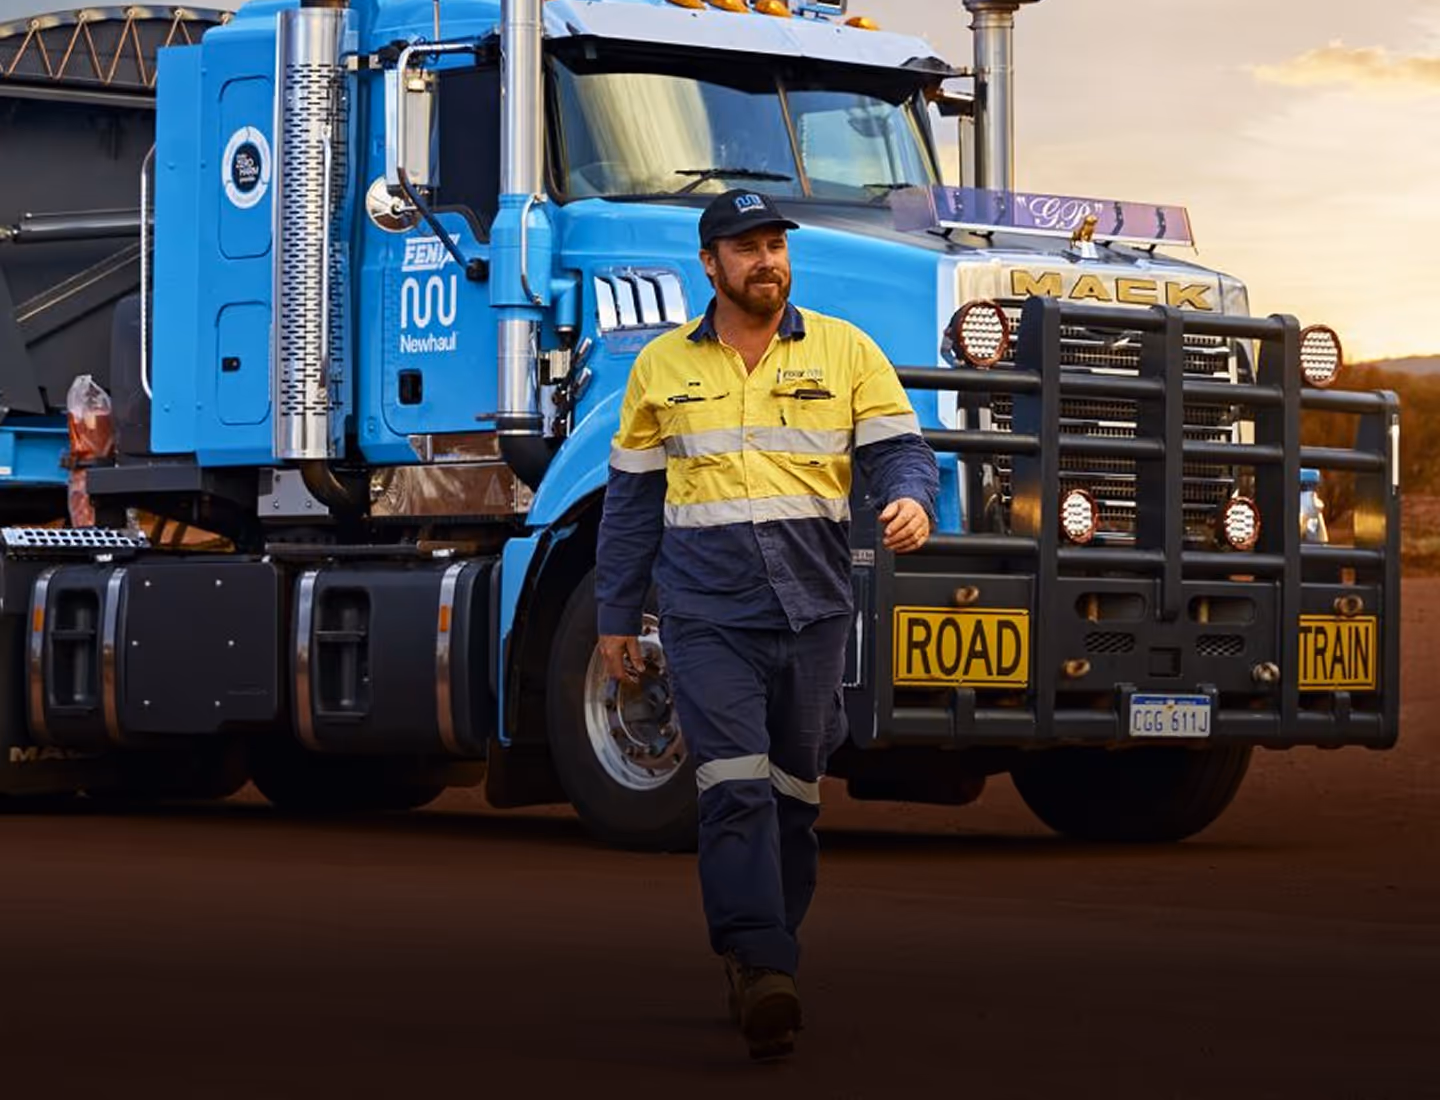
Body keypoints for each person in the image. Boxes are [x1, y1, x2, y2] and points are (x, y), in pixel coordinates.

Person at [593, 189, 939, 1061]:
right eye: (745, 248)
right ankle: (763, 957)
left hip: (815, 610)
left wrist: (908, 497)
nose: (766, 262)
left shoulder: (845, 348)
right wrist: (614, 617)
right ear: (709, 265)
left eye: (775, 245)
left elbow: (901, 447)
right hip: (707, 613)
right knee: (736, 786)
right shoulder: (661, 369)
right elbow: (632, 505)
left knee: (794, 794)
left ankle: (761, 960)